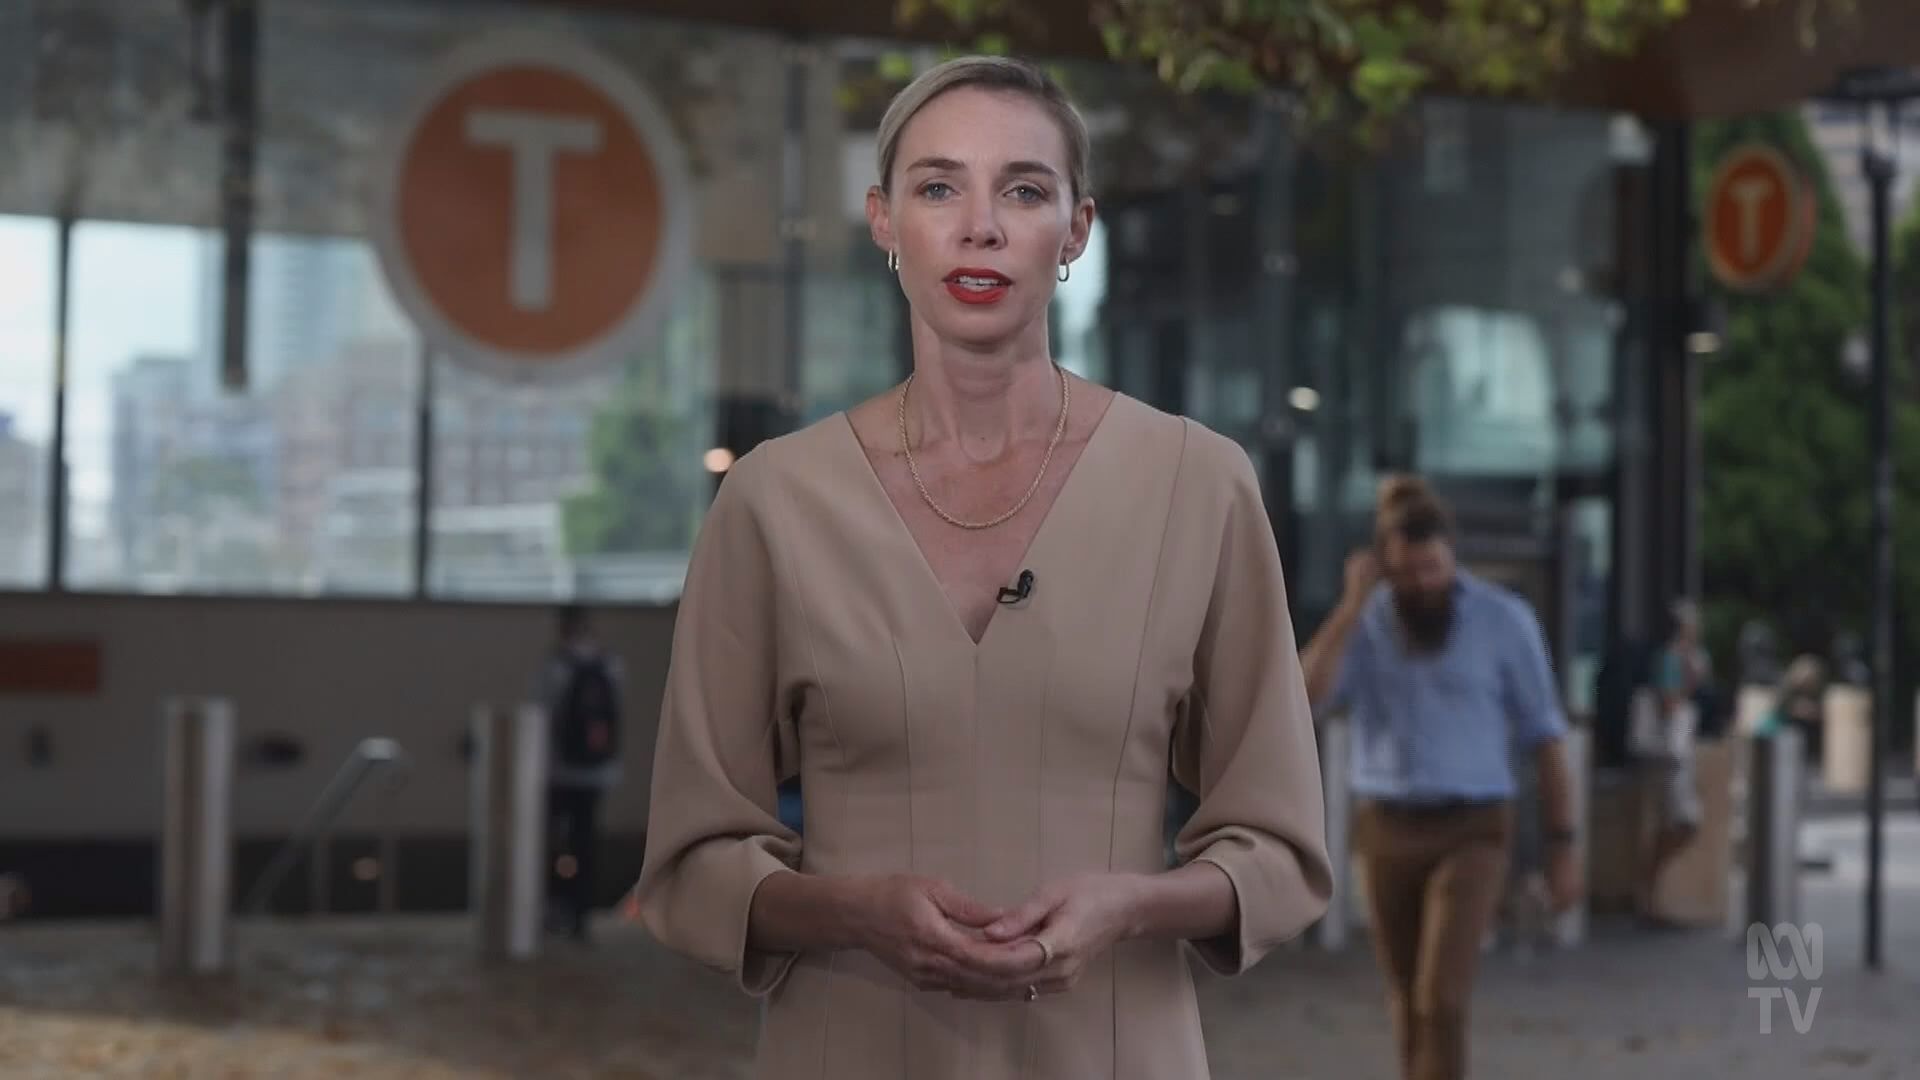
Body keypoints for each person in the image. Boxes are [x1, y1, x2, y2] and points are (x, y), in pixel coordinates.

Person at [629, 55, 1333, 1079]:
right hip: (852, 1046)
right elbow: (692, 861)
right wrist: (853, 911)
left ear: (1076, 231)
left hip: (1113, 1047)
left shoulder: (1200, 485)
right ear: (883, 221)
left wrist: (1131, 903)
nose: (980, 228)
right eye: (938, 188)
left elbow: (1279, 848)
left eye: (1024, 191)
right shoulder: (775, 501)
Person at [1300, 476, 1582, 1080]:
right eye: (1407, 573)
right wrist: (1349, 607)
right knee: (1406, 1001)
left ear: (1452, 556)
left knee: (1441, 997)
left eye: (1433, 569)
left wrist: (1563, 847)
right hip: (1386, 827)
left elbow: (1547, 738)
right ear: (1384, 565)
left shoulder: (1505, 621)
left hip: (1474, 829)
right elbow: (1305, 698)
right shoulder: (1367, 624)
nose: (1423, 584)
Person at [538, 603, 624, 940]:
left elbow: (541, 714)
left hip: (559, 771)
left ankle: (555, 907)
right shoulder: (611, 665)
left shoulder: (556, 667)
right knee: (586, 841)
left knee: (556, 842)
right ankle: (581, 916)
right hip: (597, 772)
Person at [1632, 598, 1708, 922]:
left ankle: (1649, 894)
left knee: (1674, 822)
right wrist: (1690, 678)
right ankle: (1647, 890)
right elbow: (1669, 702)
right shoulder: (1671, 658)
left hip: (1674, 752)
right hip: (1669, 753)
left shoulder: (1679, 657)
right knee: (1682, 822)